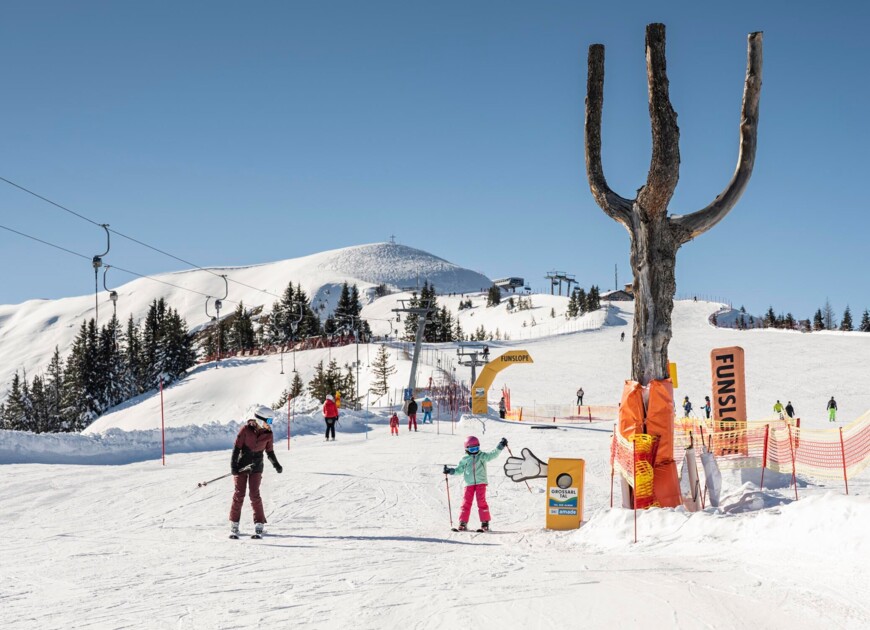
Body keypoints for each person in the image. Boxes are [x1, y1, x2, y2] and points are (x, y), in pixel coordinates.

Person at [229, 405, 283, 538]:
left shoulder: (268, 434)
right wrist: (233, 466)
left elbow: (269, 451)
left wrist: (276, 464)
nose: (270, 424)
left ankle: (259, 523)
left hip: (257, 467)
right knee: (239, 493)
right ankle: (234, 523)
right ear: (260, 419)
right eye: (269, 421)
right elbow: (236, 448)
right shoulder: (246, 430)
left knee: (254, 494)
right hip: (242, 466)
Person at [443, 436, 507, 532]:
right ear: (467, 449)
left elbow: (493, 455)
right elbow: (459, 470)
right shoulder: (464, 459)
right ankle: (463, 522)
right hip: (469, 484)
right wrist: (450, 471)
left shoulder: (482, 456)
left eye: (476, 449)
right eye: (472, 449)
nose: (474, 451)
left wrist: (500, 446)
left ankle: (485, 522)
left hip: (481, 482)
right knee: (466, 502)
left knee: (481, 501)